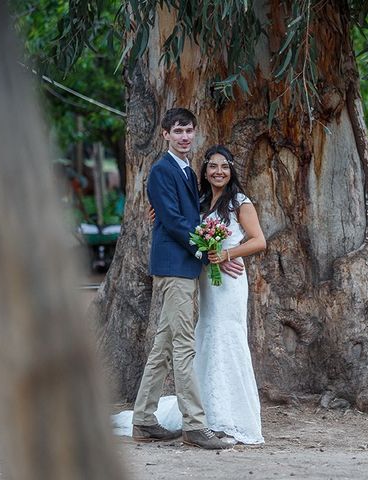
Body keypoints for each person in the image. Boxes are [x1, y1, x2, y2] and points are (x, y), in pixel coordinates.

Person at [137, 145, 266, 445]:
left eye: (224, 166)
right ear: (205, 170)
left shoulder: (239, 202)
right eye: (212, 166)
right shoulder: (200, 199)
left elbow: (259, 241)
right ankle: (205, 413)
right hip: (206, 279)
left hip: (230, 282)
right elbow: (178, 221)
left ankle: (230, 417)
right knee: (205, 335)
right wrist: (157, 211)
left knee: (226, 337)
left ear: (232, 170)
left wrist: (228, 252)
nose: (218, 171)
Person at [130, 108, 232, 450]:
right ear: (165, 135)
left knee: (163, 346)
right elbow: (173, 221)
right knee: (183, 346)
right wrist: (205, 246)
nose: (184, 136)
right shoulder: (161, 170)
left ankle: (144, 419)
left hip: (184, 266)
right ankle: (195, 426)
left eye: (189, 130)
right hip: (174, 265)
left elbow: (186, 212)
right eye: (178, 131)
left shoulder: (188, 170)